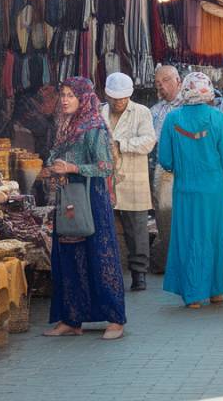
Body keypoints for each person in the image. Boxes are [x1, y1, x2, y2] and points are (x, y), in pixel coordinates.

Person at [43, 78, 126, 340]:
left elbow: (105, 166)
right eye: (63, 94)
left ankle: (115, 319)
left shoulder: (93, 126)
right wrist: (52, 167)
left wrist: (72, 168)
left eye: (70, 95)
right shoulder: (64, 126)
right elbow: (54, 154)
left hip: (91, 198)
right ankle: (71, 319)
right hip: (67, 196)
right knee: (68, 256)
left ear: (83, 98)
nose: (65, 100)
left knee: (99, 256)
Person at [158, 72, 223, 308]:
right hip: (217, 193)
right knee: (215, 238)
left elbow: (165, 160)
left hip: (185, 191)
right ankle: (216, 290)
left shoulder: (172, 119)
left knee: (189, 238)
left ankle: (193, 295)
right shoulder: (217, 119)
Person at [101, 72, 156, 292]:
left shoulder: (141, 112)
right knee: (106, 228)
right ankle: (109, 273)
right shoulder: (99, 112)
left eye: (122, 98)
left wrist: (120, 144)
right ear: (107, 95)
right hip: (106, 180)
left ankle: (139, 274)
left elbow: (148, 142)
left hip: (134, 179)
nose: (119, 102)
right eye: (115, 98)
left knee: (138, 231)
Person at [149, 64, 183, 274]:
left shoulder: (188, 106)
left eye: (165, 81)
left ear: (178, 81)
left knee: (180, 214)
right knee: (165, 218)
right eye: (157, 83)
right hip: (162, 171)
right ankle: (169, 261)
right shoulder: (155, 110)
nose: (161, 86)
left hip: (183, 169)